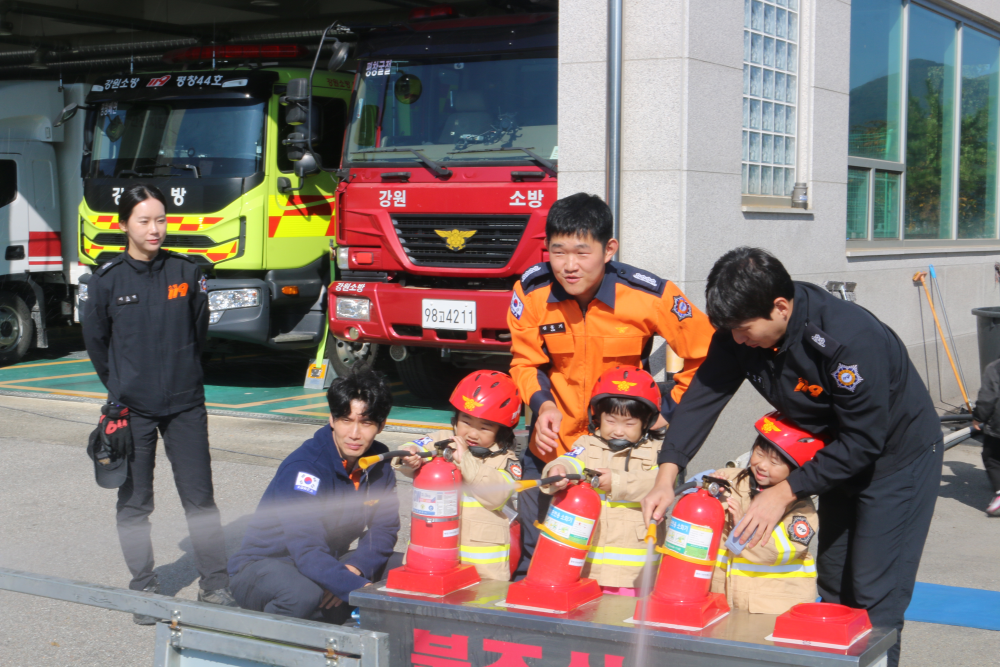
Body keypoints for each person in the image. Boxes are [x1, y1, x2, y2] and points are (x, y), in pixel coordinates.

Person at [641, 247, 942, 667]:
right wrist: (666, 472)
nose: (739, 340)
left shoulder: (848, 341)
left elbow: (863, 442)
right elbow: (706, 393)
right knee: (835, 581)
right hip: (834, 459)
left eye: (745, 330)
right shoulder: (739, 330)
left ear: (780, 308)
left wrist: (783, 492)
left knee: (876, 590)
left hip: (895, 461)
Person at [507, 192, 715, 577]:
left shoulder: (649, 295)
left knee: (617, 566)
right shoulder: (531, 292)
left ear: (609, 249)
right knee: (537, 563)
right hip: (555, 451)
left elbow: (707, 353)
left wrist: (664, 410)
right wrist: (542, 405)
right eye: (558, 252)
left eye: (582, 252)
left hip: (624, 460)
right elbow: (525, 360)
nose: (569, 266)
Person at [82, 184, 236, 624]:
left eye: (161, 219)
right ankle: (143, 586)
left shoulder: (187, 273)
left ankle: (216, 583)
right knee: (135, 502)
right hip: (133, 410)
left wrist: (181, 371)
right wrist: (122, 388)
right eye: (145, 220)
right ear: (124, 224)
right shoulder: (107, 280)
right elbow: (96, 343)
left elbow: (199, 331)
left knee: (200, 500)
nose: (155, 229)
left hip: (186, 404)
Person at [228, 367, 401, 623]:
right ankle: (268, 648)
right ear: (331, 419)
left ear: (381, 425)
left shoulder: (379, 463)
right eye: (345, 420)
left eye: (365, 423)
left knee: (405, 571)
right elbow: (306, 547)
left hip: (323, 559)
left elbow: (384, 529)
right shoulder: (305, 468)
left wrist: (355, 569)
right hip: (268, 564)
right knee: (302, 594)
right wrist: (355, 586)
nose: (354, 434)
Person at [539, 366, 664, 595]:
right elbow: (570, 462)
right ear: (597, 416)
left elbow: (656, 482)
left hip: (632, 574)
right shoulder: (586, 445)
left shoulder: (657, 452)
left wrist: (616, 481)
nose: (618, 431)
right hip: (587, 563)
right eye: (611, 420)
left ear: (647, 422)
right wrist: (556, 471)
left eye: (629, 424)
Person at [398, 370, 522, 580]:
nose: (472, 434)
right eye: (466, 422)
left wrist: (465, 460)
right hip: (431, 557)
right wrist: (409, 456)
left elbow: (497, 496)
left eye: (484, 427)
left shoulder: (507, 461)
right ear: (456, 419)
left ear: (501, 431)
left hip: (483, 571)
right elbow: (414, 446)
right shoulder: (442, 440)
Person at [708, 412, 824, 614]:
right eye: (759, 453)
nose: (762, 465)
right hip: (723, 599)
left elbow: (776, 551)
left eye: (775, 462)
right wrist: (710, 484)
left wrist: (740, 526)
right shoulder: (733, 480)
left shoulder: (801, 509)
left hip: (772, 608)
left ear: (796, 469)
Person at [971, 357, 1000, 516]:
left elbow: (987, 397)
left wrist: (979, 417)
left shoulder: (995, 367)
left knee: (992, 458)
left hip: (998, 427)